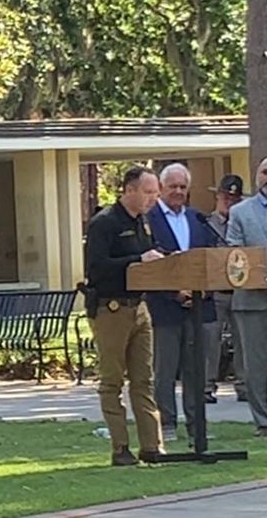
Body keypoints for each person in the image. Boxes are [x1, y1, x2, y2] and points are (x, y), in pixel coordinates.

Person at [83, 165, 165, 466]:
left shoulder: (143, 222)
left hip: (139, 307)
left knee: (144, 380)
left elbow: (148, 255)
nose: (153, 199)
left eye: (156, 193)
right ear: (129, 190)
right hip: (111, 308)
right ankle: (120, 447)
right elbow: (98, 267)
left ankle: (152, 446)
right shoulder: (104, 223)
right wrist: (137, 259)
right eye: (147, 192)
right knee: (112, 380)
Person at [144, 163, 216, 443]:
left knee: (195, 370)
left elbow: (210, 258)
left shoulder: (199, 218)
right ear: (161, 188)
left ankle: (198, 427)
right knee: (165, 370)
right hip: (166, 306)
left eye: (182, 187)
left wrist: (199, 291)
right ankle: (167, 425)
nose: (177, 192)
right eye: (172, 186)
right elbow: (149, 263)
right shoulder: (149, 219)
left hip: (198, 307)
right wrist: (176, 291)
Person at [225, 157, 267, 437]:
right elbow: (233, 253)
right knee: (256, 365)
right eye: (265, 172)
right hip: (252, 301)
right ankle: (264, 421)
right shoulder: (240, 212)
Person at [207, 174, 246, 402]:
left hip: (241, 291)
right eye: (225, 197)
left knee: (244, 342)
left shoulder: (242, 222)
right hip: (216, 291)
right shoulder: (206, 224)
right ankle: (206, 387)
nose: (229, 202)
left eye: (234, 198)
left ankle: (245, 387)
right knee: (210, 341)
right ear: (218, 196)